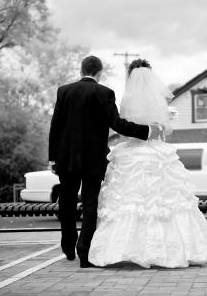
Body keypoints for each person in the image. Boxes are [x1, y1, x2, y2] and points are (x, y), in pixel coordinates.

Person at [88, 59, 207, 268]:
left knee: (129, 202)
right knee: (165, 202)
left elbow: (121, 126)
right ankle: (173, 249)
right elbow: (163, 130)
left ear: (130, 76)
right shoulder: (157, 100)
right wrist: (163, 120)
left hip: (131, 154)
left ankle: (123, 249)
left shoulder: (125, 99)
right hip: (156, 153)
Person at [48, 56, 163, 268]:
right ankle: (84, 253)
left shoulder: (64, 91)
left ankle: (68, 245)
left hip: (67, 160)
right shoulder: (104, 93)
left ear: (81, 70)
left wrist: (53, 158)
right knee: (91, 204)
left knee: (67, 203)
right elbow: (118, 125)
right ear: (99, 73)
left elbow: (55, 126)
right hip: (93, 160)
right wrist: (146, 130)